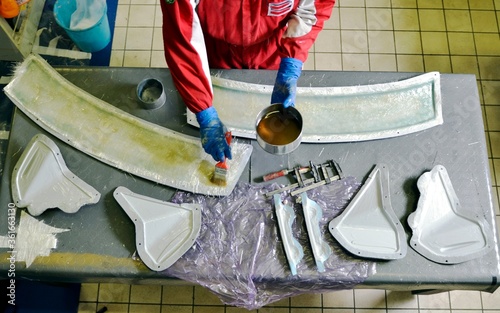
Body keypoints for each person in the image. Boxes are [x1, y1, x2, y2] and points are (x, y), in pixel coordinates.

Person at [160, 0, 336, 162]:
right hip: (218, 52)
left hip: (274, 50)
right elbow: (181, 36)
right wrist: (204, 111)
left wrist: (292, 61)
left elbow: (316, 6)